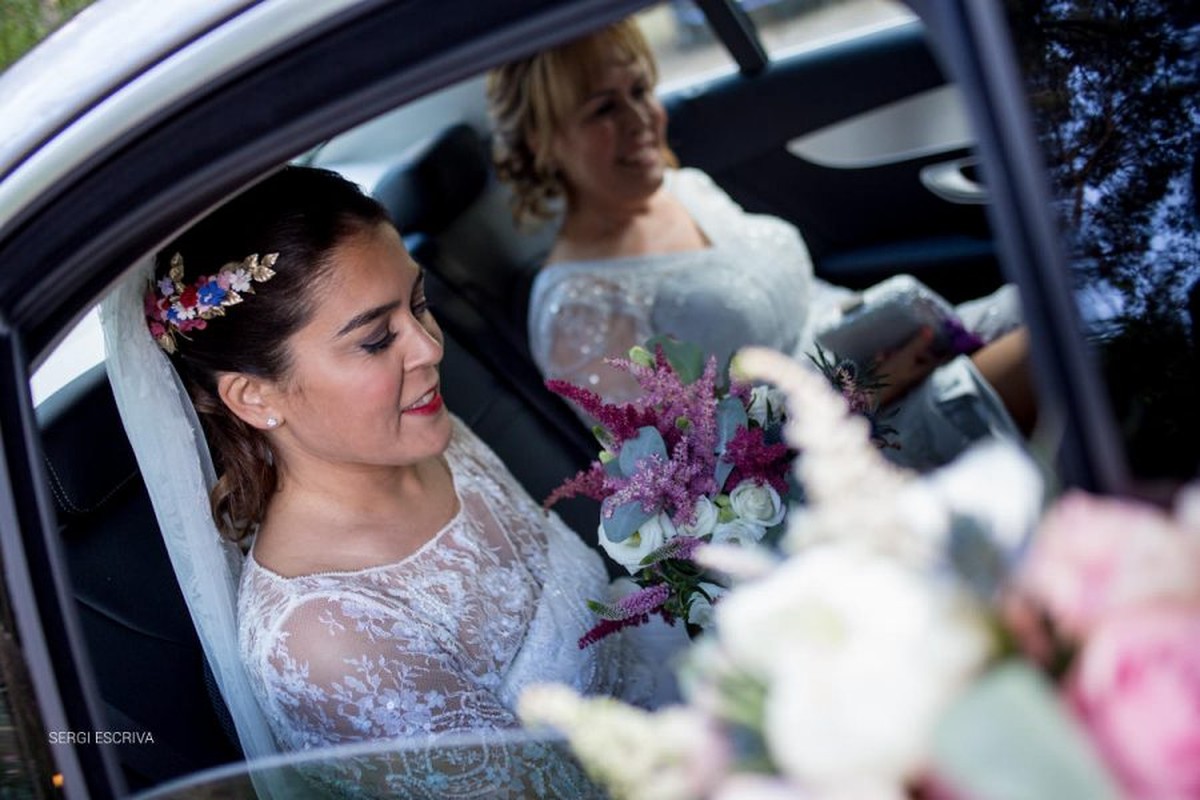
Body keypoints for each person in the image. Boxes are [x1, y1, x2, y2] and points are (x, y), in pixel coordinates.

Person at [107, 165, 675, 794]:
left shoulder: (429, 432)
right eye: (377, 340)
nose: (429, 347)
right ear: (254, 397)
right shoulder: (326, 641)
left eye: (419, 304)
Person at [487, 20, 1037, 471]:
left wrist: (888, 340)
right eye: (603, 109)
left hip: (896, 363)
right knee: (1064, 344)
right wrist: (861, 392)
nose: (640, 121)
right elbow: (695, 479)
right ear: (543, 141)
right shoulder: (577, 311)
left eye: (638, 91)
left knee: (1057, 301)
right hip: (839, 459)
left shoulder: (684, 187)